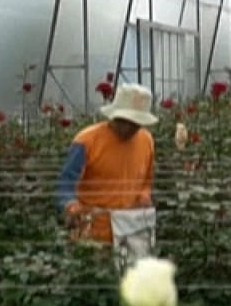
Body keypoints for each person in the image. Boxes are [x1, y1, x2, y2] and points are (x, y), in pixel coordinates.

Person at [56, 83, 158, 270]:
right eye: (126, 122)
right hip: (93, 235)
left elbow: (147, 179)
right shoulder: (87, 141)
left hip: (132, 232)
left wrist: (144, 196)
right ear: (115, 116)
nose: (130, 128)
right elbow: (66, 182)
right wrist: (71, 206)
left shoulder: (146, 141)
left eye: (136, 124)